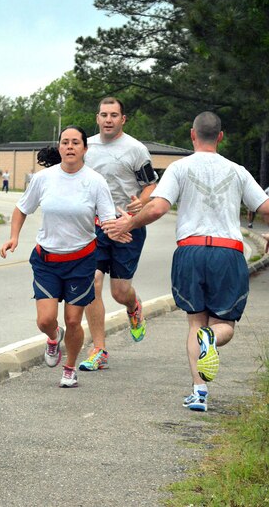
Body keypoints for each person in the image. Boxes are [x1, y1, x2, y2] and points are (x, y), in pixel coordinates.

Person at [102, 111, 269, 412]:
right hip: (227, 251)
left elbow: (158, 208)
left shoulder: (179, 168)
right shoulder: (237, 170)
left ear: (192, 135)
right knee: (223, 324)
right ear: (221, 137)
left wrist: (128, 224)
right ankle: (212, 338)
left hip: (190, 250)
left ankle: (199, 392)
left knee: (194, 323)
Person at [0, 126, 127, 388]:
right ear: (59, 148)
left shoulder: (95, 181)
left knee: (73, 319)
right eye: (65, 142)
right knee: (46, 320)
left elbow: (106, 220)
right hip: (47, 260)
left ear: (84, 149)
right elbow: (22, 208)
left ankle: (69, 368)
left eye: (75, 142)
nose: (70, 147)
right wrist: (14, 236)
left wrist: (120, 227)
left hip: (81, 261)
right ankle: (53, 336)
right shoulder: (44, 179)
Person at [78, 96, 159, 373]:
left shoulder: (136, 149)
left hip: (127, 225)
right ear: (97, 118)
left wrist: (142, 202)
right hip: (96, 226)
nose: (108, 119)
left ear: (123, 119)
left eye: (114, 115)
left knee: (119, 291)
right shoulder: (86, 148)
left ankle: (133, 305)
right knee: (93, 283)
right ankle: (98, 349)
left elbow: (151, 186)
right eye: (104, 115)